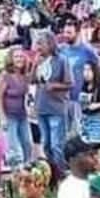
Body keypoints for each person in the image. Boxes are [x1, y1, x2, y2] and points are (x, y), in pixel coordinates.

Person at [32, 31, 73, 168]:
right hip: (41, 107)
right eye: (36, 43)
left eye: (40, 43)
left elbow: (69, 83)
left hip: (57, 107)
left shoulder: (61, 60)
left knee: (57, 144)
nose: (38, 46)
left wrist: (54, 86)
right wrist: (34, 65)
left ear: (49, 44)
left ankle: (62, 170)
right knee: (46, 144)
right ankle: (52, 171)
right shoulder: (37, 59)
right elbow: (31, 80)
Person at [0, 48, 34, 165]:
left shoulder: (25, 75)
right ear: (11, 59)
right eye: (16, 57)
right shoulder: (5, 75)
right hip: (9, 115)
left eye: (21, 57)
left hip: (22, 115)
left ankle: (27, 168)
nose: (19, 59)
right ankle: (15, 171)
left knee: (28, 144)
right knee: (14, 148)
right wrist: (2, 117)